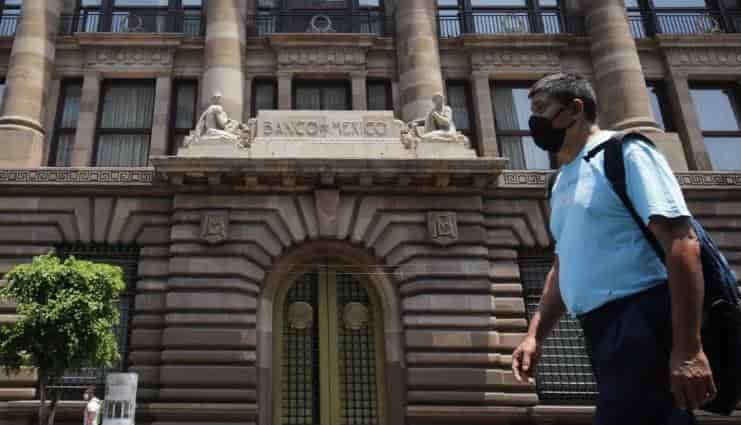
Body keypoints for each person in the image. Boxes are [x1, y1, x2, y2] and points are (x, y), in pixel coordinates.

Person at [511, 73, 716, 425]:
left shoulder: (625, 152)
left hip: (642, 316)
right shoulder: (559, 181)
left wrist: (687, 348)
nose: (534, 122)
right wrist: (535, 336)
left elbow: (681, 243)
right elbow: (563, 266)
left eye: (542, 109)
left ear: (575, 109)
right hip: (598, 328)